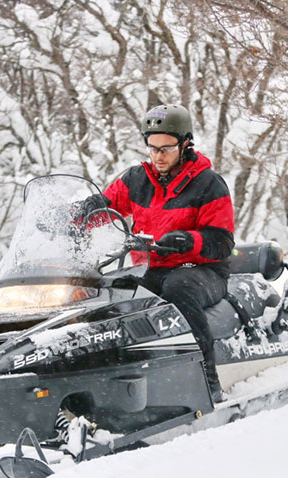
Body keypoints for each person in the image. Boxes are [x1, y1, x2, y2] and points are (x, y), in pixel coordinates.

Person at [81, 104, 235, 402]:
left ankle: (207, 381)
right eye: (152, 148)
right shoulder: (138, 179)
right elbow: (108, 206)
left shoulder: (208, 184)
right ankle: (111, 380)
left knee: (179, 288)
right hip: (149, 267)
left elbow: (221, 242)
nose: (158, 156)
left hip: (201, 270)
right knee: (113, 294)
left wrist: (188, 241)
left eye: (166, 148)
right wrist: (80, 213)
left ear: (185, 144)